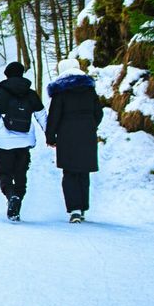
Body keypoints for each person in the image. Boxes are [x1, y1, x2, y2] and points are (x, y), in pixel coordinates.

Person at [0, 61, 47, 222]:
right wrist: (50, 135)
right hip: (25, 140)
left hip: (4, 142)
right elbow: (41, 115)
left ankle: (11, 195)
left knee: (4, 173)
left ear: (7, 74)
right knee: (21, 174)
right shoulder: (31, 93)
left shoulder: (0, 93)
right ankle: (16, 203)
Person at [45, 58, 103, 223]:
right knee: (84, 172)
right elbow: (98, 113)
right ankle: (83, 207)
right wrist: (91, 126)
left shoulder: (60, 92)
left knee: (69, 172)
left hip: (67, 136)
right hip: (87, 136)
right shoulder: (89, 91)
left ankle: (74, 209)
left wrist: (51, 136)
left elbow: (54, 116)